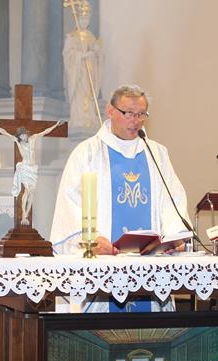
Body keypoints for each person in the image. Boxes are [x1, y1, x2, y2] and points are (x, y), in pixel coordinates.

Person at [49, 84, 191, 311]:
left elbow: (172, 201)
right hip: (103, 265)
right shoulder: (87, 153)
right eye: (128, 113)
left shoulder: (157, 154)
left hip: (150, 269)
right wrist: (91, 239)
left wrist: (173, 237)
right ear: (110, 111)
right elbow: (70, 204)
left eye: (141, 114)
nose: (135, 121)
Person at [0, 118, 64, 225]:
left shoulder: (33, 138)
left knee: (31, 192)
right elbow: (4, 132)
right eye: (21, 136)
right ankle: (24, 215)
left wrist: (56, 125)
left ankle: (26, 215)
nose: (23, 137)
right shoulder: (18, 142)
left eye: (24, 135)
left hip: (33, 169)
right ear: (19, 137)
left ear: (26, 134)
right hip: (25, 168)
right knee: (27, 190)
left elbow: (45, 131)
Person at [63, 0, 103, 129]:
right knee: (79, 94)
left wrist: (96, 53)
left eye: (87, 19)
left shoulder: (91, 37)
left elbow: (97, 54)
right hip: (78, 72)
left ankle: (89, 117)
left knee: (89, 94)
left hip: (90, 70)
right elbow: (68, 54)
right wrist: (81, 56)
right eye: (82, 19)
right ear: (78, 20)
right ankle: (79, 118)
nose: (84, 21)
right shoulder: (72, 37)